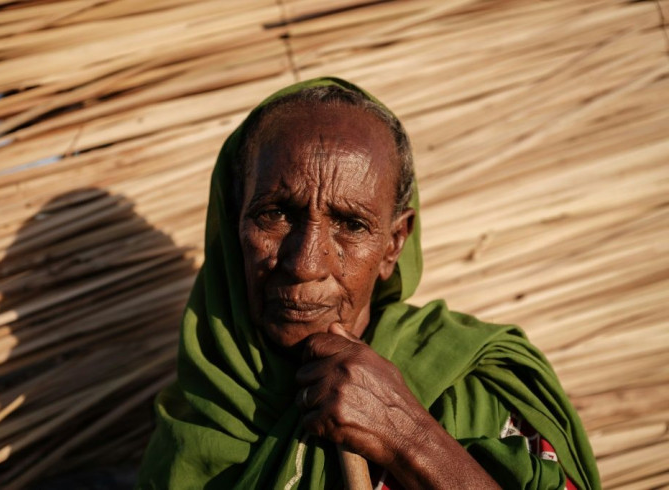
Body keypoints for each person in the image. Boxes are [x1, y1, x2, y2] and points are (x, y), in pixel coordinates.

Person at [136, 78, 600, 489]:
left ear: (394, 244)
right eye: (273, 214)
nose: (305, 263)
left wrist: (408, 436)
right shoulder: (192, 425)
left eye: (351, 225)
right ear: (233, 221)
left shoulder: (483, 384)